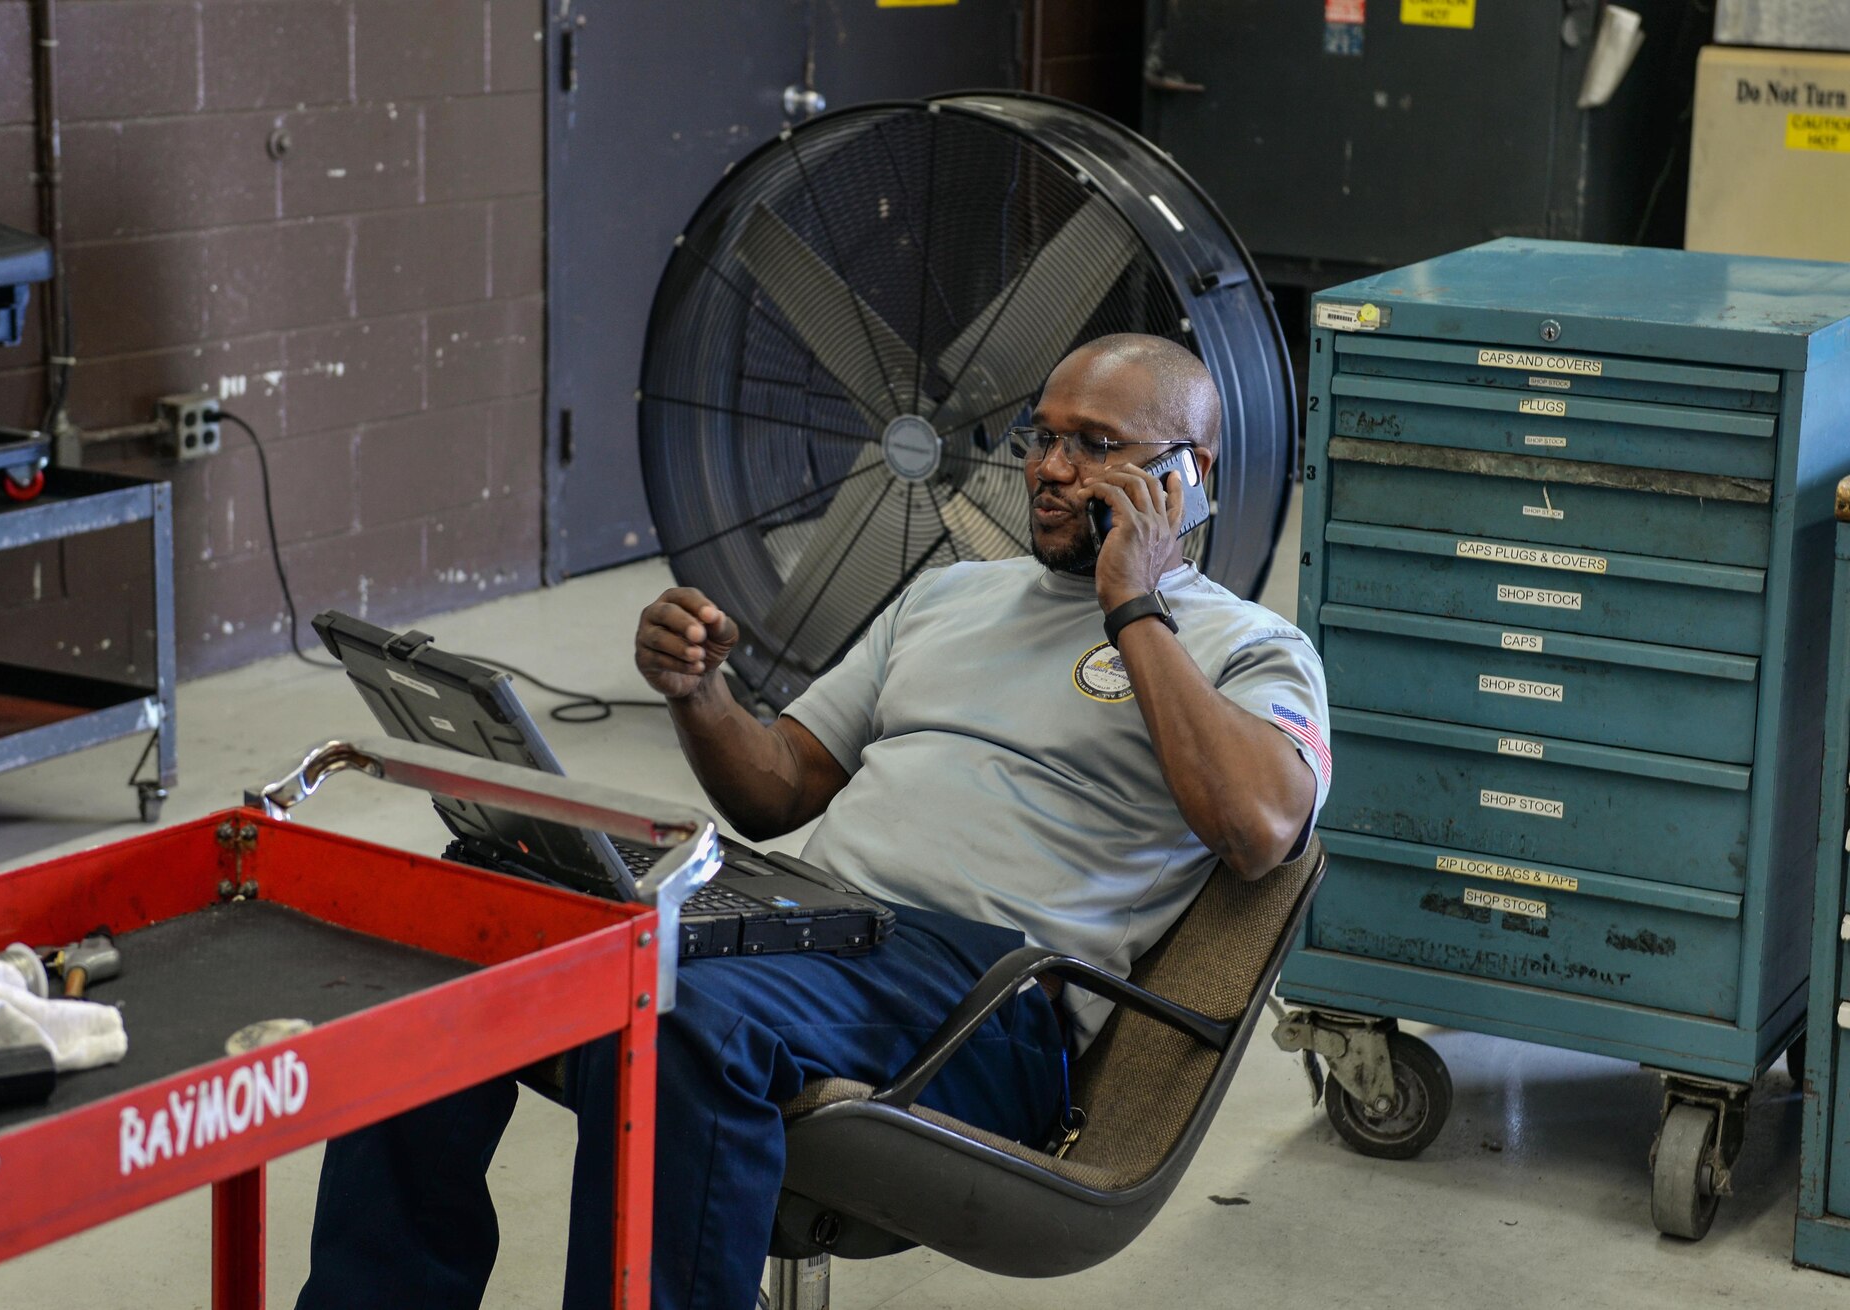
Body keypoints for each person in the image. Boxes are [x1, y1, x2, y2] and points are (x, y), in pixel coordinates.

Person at [295, 333, 1329, 1310]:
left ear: (1184, 475)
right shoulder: (951, 597)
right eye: (1041, 434)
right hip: (814, 922)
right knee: (467, 917)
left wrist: (1132, 605)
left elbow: (1257, 829)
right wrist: (698, 693)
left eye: (1094, 446)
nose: (1051, 468)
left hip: (984, 996)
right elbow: (776, 786)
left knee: (686, 1022)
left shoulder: (1248, 647)